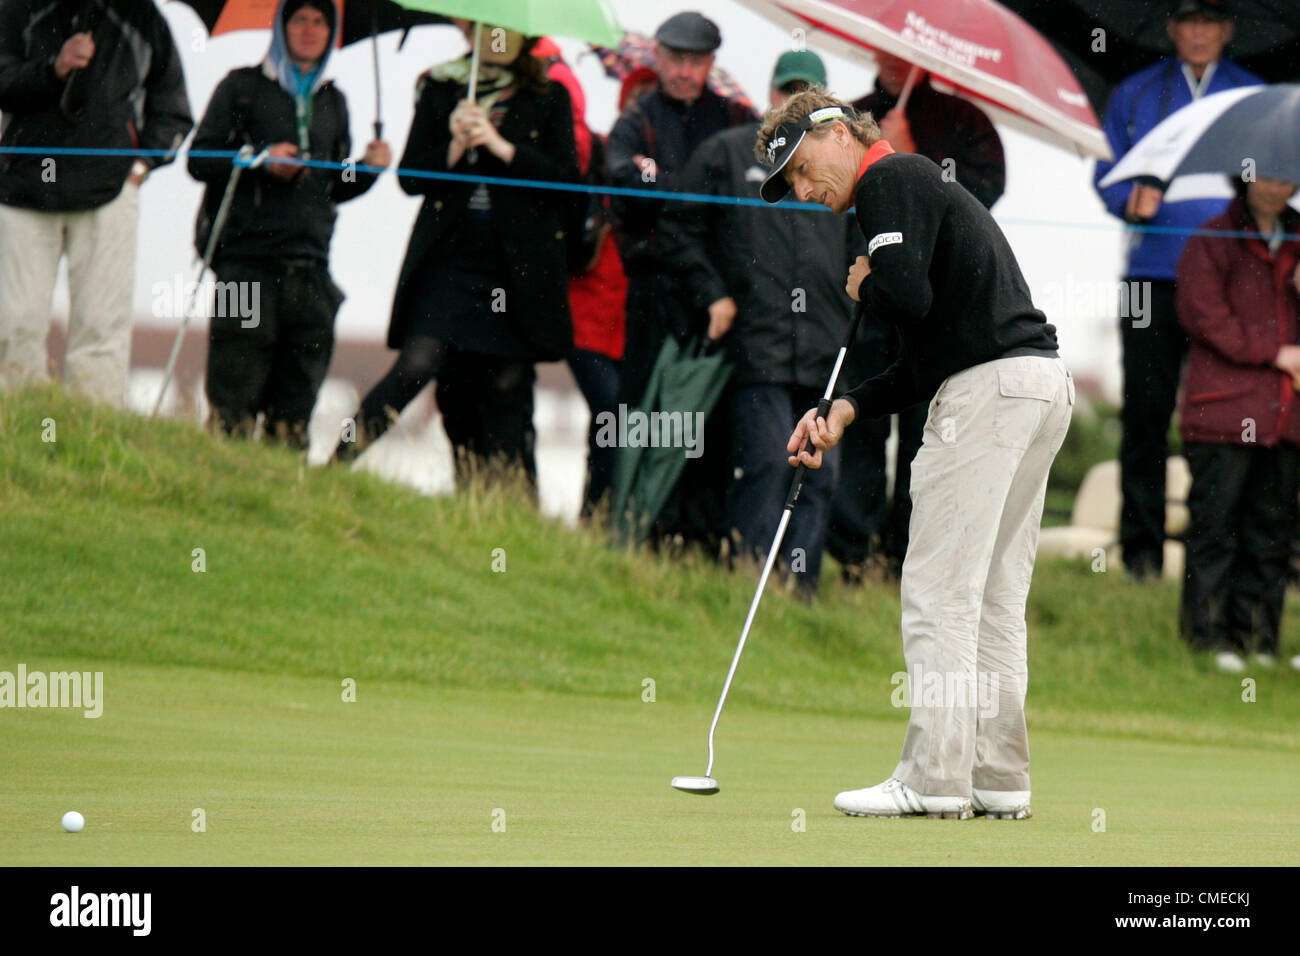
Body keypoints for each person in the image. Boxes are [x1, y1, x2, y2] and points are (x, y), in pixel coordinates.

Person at [758, 89, 1072, 820]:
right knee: (992, 597)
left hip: (991, 397)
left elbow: (906, 298)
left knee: (939, 592)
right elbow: (928, 351)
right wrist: (848, 406)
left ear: (837, 132)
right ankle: (999, 778)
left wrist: (869, 281)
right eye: (792, 186)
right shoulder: (915, 187)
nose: (806, 192)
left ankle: (934, 781)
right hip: (1035, 386)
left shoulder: (888, 180)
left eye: (804, 170)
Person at [337, 19, 578, 491]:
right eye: (490, 28)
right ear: (471, 31)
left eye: (510, 29)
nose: (498, 38)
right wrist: (453, 147)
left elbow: (567, 184)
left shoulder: (550, 96)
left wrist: (502, 146)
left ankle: (505, 509)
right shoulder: (441, 86)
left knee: (504, 383)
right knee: (418, 364)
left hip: (516, 268)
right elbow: (410, 178)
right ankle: (336, 460)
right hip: (451, 259)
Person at [660, 51, 863, 598]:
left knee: (820, 477)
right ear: (771, 95)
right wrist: (713, 294)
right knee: (769, 465)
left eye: (809, 94)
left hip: (827, 349)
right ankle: (749, 583)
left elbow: (864, 250)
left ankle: (801, 596)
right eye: (788, 91)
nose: (796, 102)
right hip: (758, 347)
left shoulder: (843, 171)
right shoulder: (727, 154)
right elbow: (678, 228)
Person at [1093, 0, 1261, 581]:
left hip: (1233, 280)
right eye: (1189, 21)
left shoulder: (1252, 95)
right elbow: (1105, 170)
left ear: (1228, 30)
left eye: (1211, 22)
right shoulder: (1134, 92)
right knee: (1145, 413)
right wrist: (1125, 199)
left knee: (1221, 418)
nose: (1199, 33)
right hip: (1150, 277)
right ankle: (1140, 557)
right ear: (1172, 27)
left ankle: (1214, 556)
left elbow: (1278, 181)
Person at [829, 49, 1007, 582]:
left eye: (907, 53)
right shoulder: (850, 118)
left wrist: (910, 161)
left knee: (923, 434)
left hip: (933, 306)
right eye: (887, 48)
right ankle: (853, 556)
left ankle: (905, 558)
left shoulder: (964, 121)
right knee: (859, 425)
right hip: (868, 297)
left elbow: (981, 200)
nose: (895, 60)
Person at [188, 0, 390, 447]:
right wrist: (260, 161)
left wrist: (368, 169)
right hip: (244, 264)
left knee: (293, 413)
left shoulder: (333, 101)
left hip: (311, 271)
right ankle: (219, 490)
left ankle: (280, 495)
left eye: (320, 21)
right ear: (281, 26)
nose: (310, 29)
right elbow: (199, 159)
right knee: (231, 401)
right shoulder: (240, 87)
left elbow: (334, 185)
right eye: (299, 18)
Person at [0, 0, 192, 405]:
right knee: (14, 321)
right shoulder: (17, 9)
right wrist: (55, 68)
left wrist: (139, 168)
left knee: (101, 326)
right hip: (22, 187)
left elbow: (173, 111)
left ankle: (92, 428)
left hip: (109, 193)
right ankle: (18, 424)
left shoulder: (144, 19)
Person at [1176, 174, 1300, 674]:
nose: (1274, 187)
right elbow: (1202, 315)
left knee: (1271, 533)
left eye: (1286, 176)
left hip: (1287, 419)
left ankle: (1259, 641)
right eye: (1264, 175)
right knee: (1214, 528)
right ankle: (1206, 639)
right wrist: (1275, 351)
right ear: (1245, 176)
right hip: (1222, 414)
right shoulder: (1212, 237)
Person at [606, 10, 758, 409]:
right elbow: (624, 189)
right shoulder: (636, 119)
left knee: (713, 411)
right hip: (654, 284)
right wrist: (699, 191)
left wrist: (659, 180)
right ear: (657, 56)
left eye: (695, 62)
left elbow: (756, 194)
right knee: (640, 403)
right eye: (674, 59)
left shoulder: (738, 118)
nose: (684, 72)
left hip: (725, 288)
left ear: (711, 63)